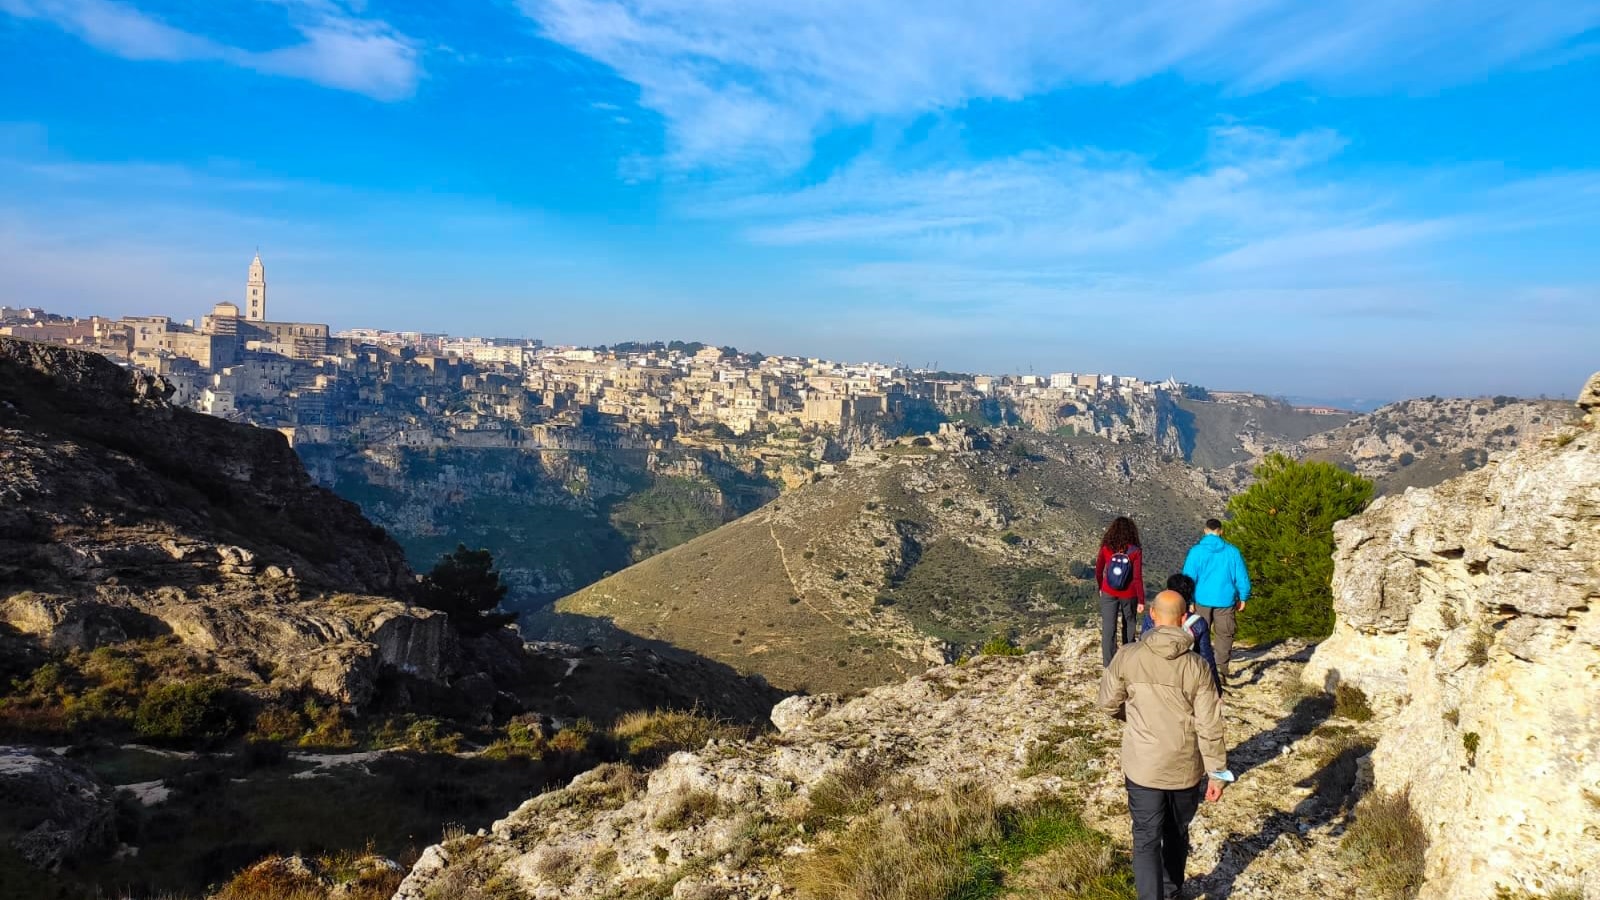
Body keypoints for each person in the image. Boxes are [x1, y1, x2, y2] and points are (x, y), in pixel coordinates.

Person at [1098, 590, 1229, 900]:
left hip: (1143, 766)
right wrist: (1217, 773)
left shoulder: (1128, 656)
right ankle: (1172, 892)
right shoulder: (1197, 666)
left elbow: (1106, 703)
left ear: (1153, 616)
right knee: (1176, 833)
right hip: (1185, 767)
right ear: (1184, 620)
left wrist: (1135, 718)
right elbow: (1209, 723)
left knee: (1145, 838)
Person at [1182, 518, 1251, 682]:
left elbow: (1188, 578)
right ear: (1221, 531)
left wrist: (1189, 600)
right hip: (1225, 600)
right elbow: (1242, 578)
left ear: (1205, 531)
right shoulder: (1232, 552)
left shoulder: (1196, 552)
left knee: (1198, 634)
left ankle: (1200, 669)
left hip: (1201, 600)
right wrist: (1243, 597)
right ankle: (1221, 670)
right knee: (1225, 635)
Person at [1143, 573, 1223, 695]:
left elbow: (1142, 646)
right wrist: (1216, 689)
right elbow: (1206, 658)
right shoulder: (1198, 623)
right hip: (1184, 679)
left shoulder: (1152, 617)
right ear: (1190, 596)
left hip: (1152, 676)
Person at [1095, 516, 1146, 667]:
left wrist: (1100, 587)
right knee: (1129, 622)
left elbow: (1098, 570)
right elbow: (1137, 577)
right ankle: (1128, 657)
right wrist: (1141, 600)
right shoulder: (1135, 551)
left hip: (1108, 591)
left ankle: (1108, 664)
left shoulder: (1106, 547)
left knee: (1109, 626)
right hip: (1129, 593)